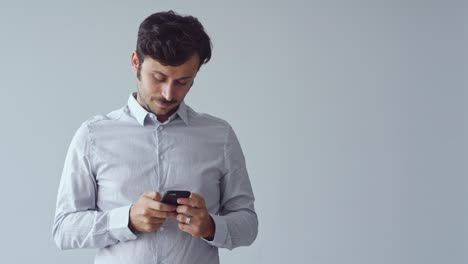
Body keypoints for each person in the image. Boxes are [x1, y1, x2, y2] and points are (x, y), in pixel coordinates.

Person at [52, 10, 258, 264]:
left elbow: (248, 224)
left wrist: (210, 226)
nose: (169, 93)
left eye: (183, 81)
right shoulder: (93, 136)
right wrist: (126, 220)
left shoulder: (220, 136)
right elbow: (64, 229)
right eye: (158, 78)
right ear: (135, 62)